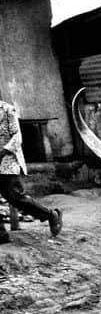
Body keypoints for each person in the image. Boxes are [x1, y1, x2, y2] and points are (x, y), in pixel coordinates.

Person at [0, 97, 62, 244]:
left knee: (15, 197)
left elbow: (17, 137)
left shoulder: (7, 110)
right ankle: (1, 235)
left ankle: (51, 215)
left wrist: (2, 152)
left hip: (7, 161)